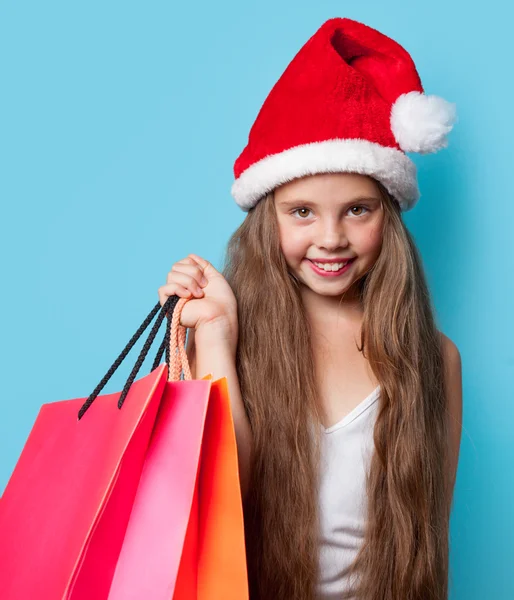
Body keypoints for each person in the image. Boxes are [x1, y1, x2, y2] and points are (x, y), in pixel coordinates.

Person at [158, 17, 463, 600]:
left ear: (390, 217)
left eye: (358, 210)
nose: (330, 238)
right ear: (266, 217)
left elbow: (431, 544)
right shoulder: (230, 343)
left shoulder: (434, 359)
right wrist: (217, 337)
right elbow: (222, 505)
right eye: (302, 212)